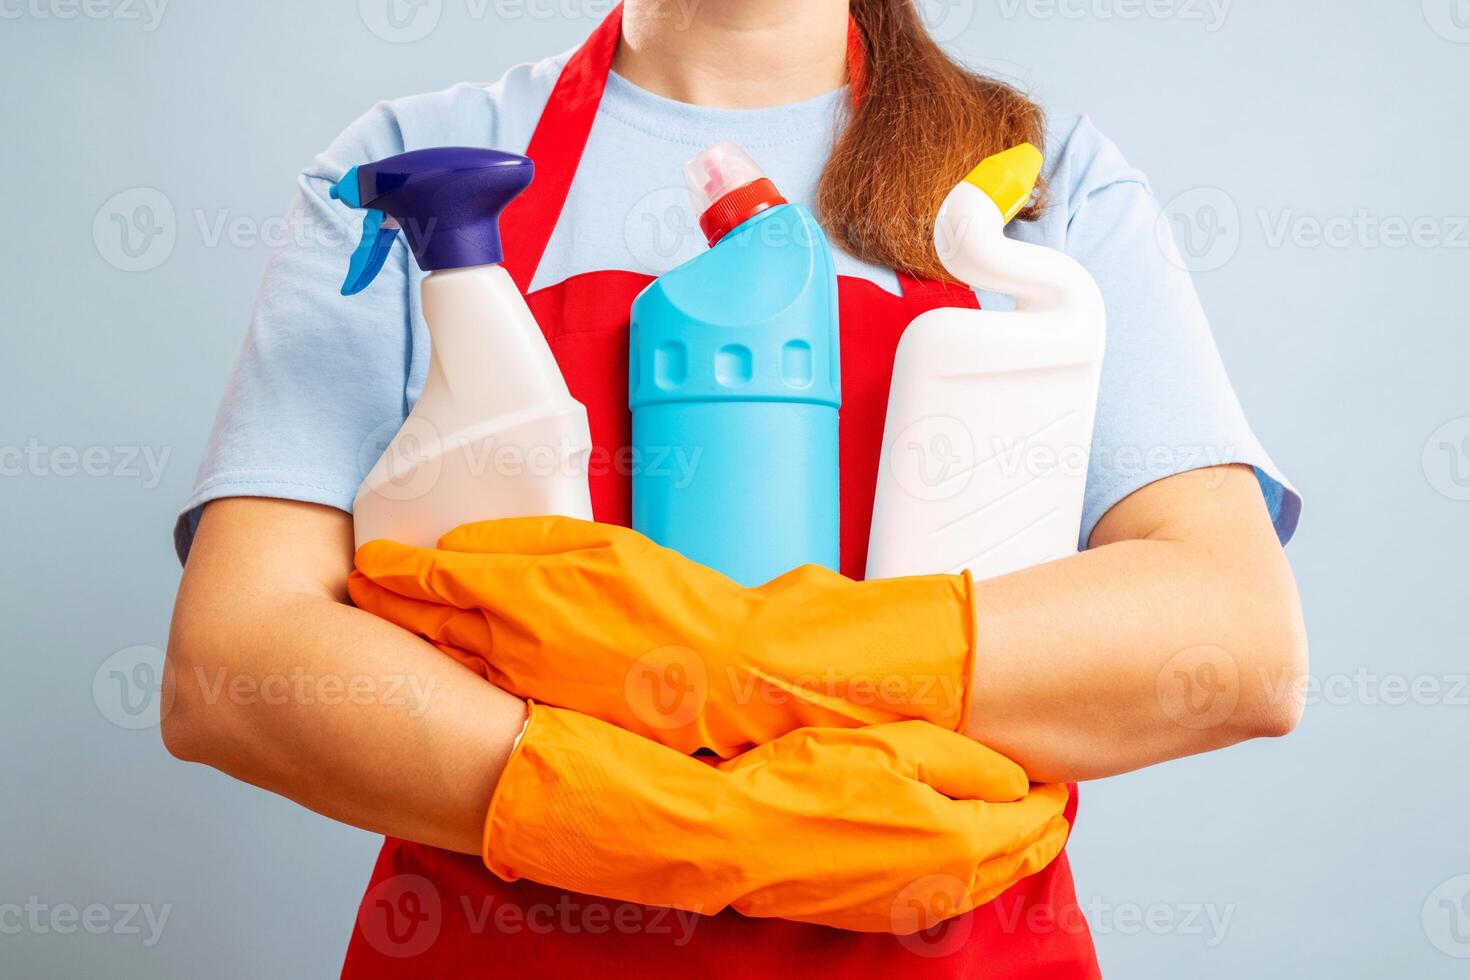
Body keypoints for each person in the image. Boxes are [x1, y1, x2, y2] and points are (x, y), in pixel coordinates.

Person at [162, 1, 1307, 976]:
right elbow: (237, 658)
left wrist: (724, 655)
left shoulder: (1036, 188)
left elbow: (1236, 641)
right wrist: (717, 828)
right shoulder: (422, 164)